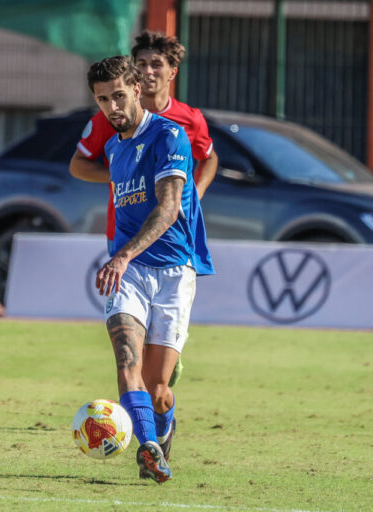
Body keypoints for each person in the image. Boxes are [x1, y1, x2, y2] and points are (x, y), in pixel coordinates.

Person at [80, 55, 214, 484]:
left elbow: (170, 207)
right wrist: (122, 258)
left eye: (118, 95)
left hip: (175, 269)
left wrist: (123, 254)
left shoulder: (169, 135)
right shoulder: (113, 147)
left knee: (158, 389)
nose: (111, 107)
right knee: (125, 359)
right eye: (103, 100)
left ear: (137, 89)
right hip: (130, 271)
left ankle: (162, 424)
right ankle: (149, 448)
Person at [70, 30, 217, 387]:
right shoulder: (112, 114)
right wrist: (123, 176)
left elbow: (209, 159)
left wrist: (192, 192)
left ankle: (160, 375)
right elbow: (78, 164)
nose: (148, 71)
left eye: (156, 64)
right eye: (141, 64)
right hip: (124, 233)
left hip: (171, 234)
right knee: (130, 338)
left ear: (172, 72)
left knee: (158, 354)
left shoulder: (187, 119)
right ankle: (143, 400)